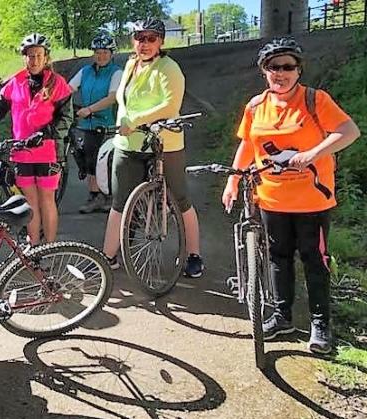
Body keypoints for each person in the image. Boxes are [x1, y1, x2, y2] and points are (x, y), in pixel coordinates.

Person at [222, 37, 360, 354]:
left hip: (313, 200)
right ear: (264, 72)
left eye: (287, 67)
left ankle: (320, 326)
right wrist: (233, 181)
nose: (280, 73)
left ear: (298, 70)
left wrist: (314, 153)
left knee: (315, 261)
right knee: (279, 260)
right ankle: (282, 317)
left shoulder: (315, 100)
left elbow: (348, 131)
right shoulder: (256, 107)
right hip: (270, 199)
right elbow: (247, 145)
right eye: (273, 67)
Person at [100, 18, 205, 278]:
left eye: (151, 38)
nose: (144, 43)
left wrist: (135, 121)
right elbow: (123, 101)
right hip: (128, 143)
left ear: (161, 41)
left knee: (180, 197)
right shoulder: (130, 64)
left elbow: (170, 106)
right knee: (120, 202)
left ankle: (193, 255)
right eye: (139, 38)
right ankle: (107, 257)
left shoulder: (169, 68)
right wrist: (123, 125)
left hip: (164, 143)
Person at [0, 33, 73, 245]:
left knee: (47, 200)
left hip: (48, 151)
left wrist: (44, 133)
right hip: (21, 152)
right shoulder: (15, 82)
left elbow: (66, 118)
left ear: (46, 58)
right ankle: (34, 245)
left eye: (38, 55)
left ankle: (49, 247)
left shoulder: (58, 84)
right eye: (30, 56)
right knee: (30, 201)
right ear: (24, 57)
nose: (34, 60)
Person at [68, 29, 123, 213]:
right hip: (84, 124)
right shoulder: (85, 71)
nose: (100, 56)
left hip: (105, 124)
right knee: (85, 159)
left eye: (105, 53)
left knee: (100, 160)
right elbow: (69, 89)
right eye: (98, 53)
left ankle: (101, 197)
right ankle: (98, 196)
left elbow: (112, 97)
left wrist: (90, 109)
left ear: (111, 54)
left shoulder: (116, 72)